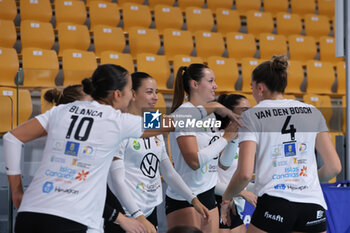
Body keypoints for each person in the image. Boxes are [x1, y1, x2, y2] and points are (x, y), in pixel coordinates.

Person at [3, 64, 239, 233]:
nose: (130, 97)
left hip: (31, 212)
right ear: (118, 94)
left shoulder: (61, 111)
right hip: (74, 217)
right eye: (129, 91)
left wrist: (17, 191)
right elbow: (173, 122)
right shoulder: (117, 120)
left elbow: (12, 138)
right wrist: (213, 108)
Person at [221, 55, 342, 233]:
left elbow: (245, 174)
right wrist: (307, 181)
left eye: (252, 88)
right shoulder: (313, 112)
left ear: (260, 88)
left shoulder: (252, 116)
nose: (253, 93)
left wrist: (226, 197)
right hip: (312, 204)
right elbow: (334, 168)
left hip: (275, 202)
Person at [105, 72, 210, 233]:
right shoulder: (120, 125)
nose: (155, 97)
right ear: (133, 94)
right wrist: (138, 216)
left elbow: (168, 171)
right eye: (149, 92)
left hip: (149, 210)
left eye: (156, 92)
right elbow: (116, 179)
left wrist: (193, 199)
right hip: (126, 213)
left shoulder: (155, 121)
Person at [44, 84, 148, 233]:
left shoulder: (78, 135)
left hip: (86, 219)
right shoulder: (81, 146)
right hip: (72, 221)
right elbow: (81, 192)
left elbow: (100, 189)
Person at [165, 63, 238, 233]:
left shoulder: (211, 116)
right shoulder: (184, 113)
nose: (215, 86)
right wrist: (226, 138)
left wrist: (233, 139)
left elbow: (222, 163)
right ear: (195, 84)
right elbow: (193, 161)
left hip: (208, 193)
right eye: (210, 80)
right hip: (186, 197)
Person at [215, 94, 257, 233]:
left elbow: (239, 179)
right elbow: (210, 183)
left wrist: (260, 188)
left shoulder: (244, 141)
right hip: (217, 203)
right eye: (244, 110)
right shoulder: (217, 139)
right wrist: (242, 192)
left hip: (234, 204)